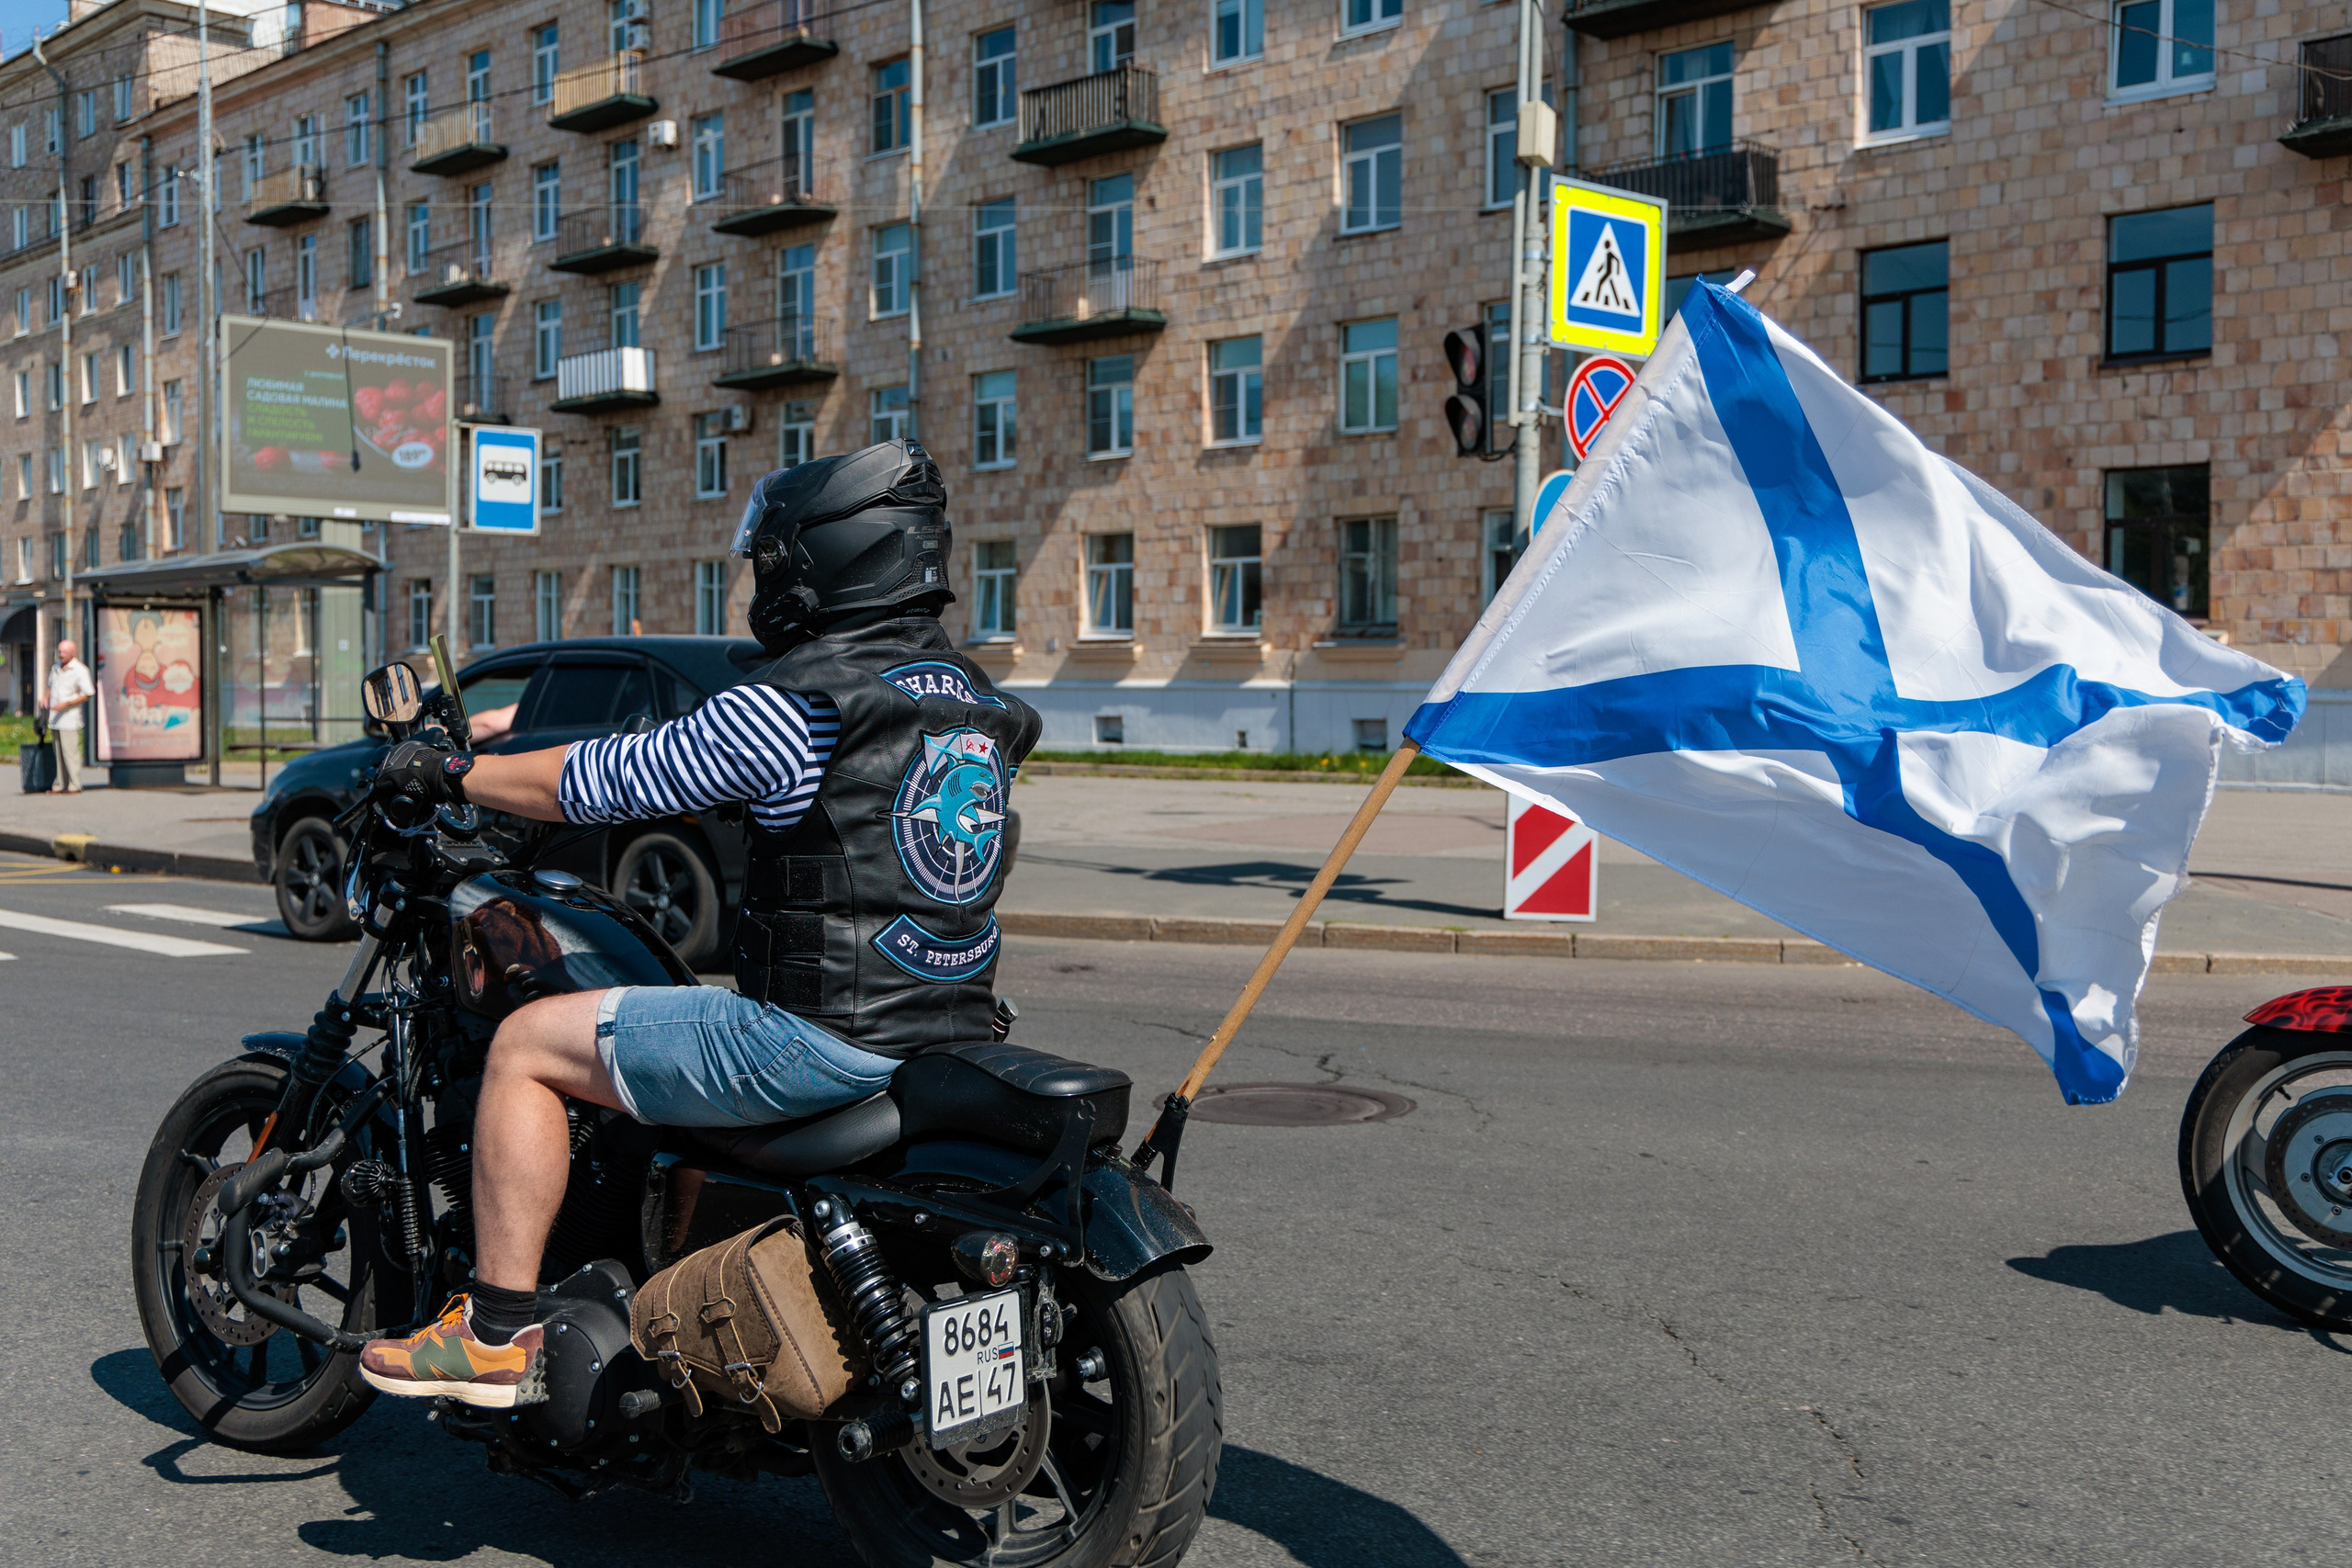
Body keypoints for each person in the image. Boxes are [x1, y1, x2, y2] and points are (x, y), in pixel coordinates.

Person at [356, 440, 1041, 1407]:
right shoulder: (977, 699)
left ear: (825, 560)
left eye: (776, 561)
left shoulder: (800, 701)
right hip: (950, 1029)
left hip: (815, 1040)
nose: (765, 581)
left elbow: (607, 780)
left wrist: (453, 771)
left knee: (524, 1046)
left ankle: (495, 1335)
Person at [45, 638, 92, 794]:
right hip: (55, 718)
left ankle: (74, 784)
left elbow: (87, 693)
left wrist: (67, 703)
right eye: (59, 651)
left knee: (70, 753)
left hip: (70, 718)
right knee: (58, 754)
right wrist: (45, 698)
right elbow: (51, 685)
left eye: (65, 652)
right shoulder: (55, 667)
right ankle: (60, 783)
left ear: (73, 652)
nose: (61, 654)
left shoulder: (80, 670)